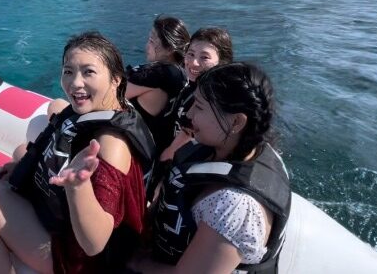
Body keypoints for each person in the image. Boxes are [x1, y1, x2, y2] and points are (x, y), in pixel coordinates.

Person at [0, 32, 155, 274]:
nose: (75, 83)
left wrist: (77, 186)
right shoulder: (113, 109)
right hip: (70, 222)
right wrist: (26, 167)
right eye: (68, 71)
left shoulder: (111, 145)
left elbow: (95, 243)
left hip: (81, 259)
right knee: (21, 153)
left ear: (116, 79)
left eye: (88, 72)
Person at [130, 62, 291, 273]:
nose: (189, 114)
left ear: (236, 123)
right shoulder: (216, 146)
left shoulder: (237, 207)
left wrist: (136, 262)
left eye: (199, 106)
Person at [160, 27, 234, 161]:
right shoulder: (190, 85)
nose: (194, 63)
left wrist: (170, 151)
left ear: (222, 62)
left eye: (204, 57)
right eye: (191, 54)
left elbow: (190, 129)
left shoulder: (215, 97)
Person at [125, 15, 190, 154]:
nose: (147, 46)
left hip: (136, 149)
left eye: (151, 40)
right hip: (158, 145)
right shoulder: (180, 72)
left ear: (169, 50)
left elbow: (110, 96)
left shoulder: (160, 75)